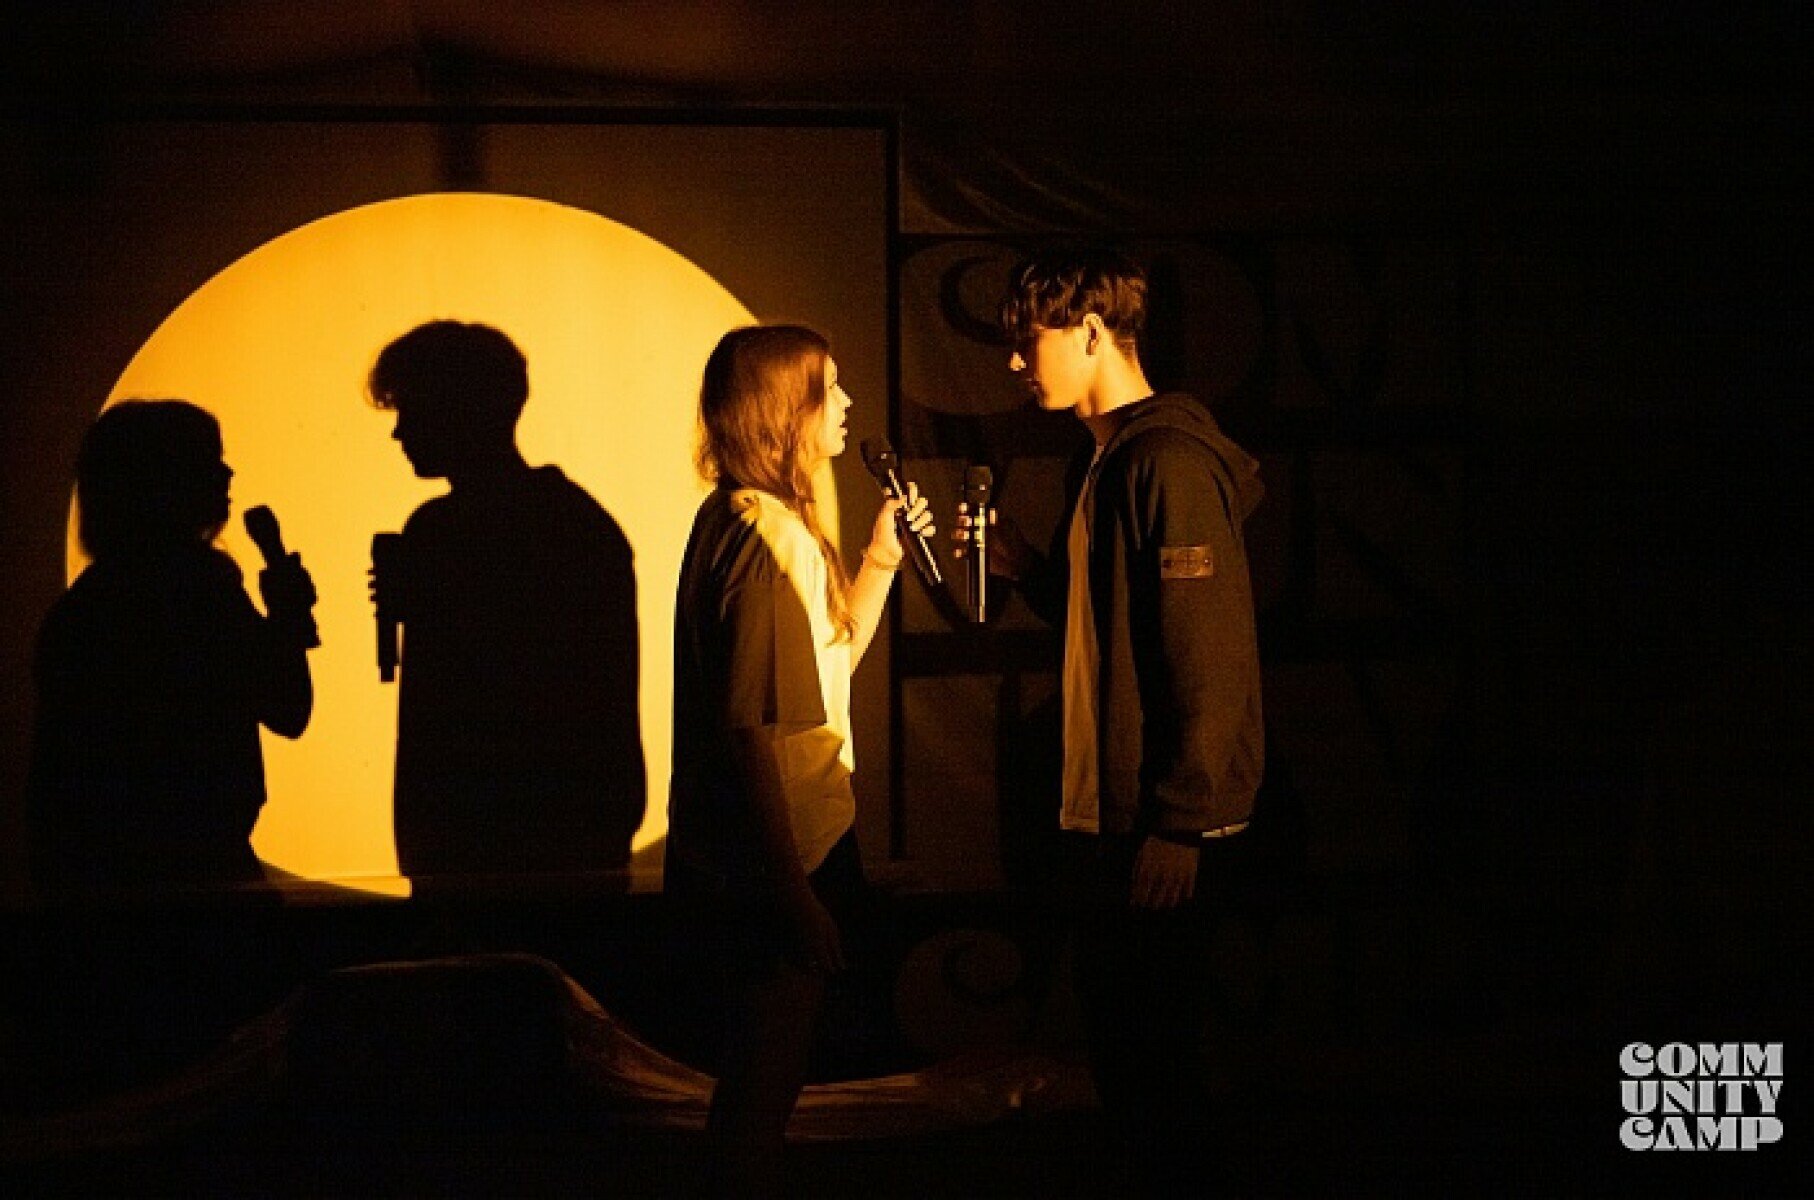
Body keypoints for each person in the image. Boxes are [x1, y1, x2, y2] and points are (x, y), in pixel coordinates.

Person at [962, 248, 1266, 1192]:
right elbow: (1121, 626)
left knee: (1157, 1070)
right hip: (1119, 820)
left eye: (1030, 339)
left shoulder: (1165, 460)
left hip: (1157, 826)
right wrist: (1026, 567)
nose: (1017, 361)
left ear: (1091, 333)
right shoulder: (1107, 459)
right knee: (1131, 1064)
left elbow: (1205, 652)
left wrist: (1180, 821)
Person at [667, 324, 932, 1198]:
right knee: (763, 1080)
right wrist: (793, 893)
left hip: (786, 846)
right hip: (779, 855)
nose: (848, 404)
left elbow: (821, 677)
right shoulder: (761, 536)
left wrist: (881, 560)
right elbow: (747, 731)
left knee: (766, 1076)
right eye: (830, 388)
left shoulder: (753, 520)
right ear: (786, 410)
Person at [26, 399, 317, 1083]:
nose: (227, 474)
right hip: (204, 895)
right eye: (208, 462)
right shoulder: (202, 594)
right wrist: (286, 615)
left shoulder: (81, 611)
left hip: (103, 902)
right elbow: (289, 708)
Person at [366, 320, 645, 880]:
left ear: (457, 409)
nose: (399, 432)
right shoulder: (577, 523)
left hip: (506, 839)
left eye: (411, 409)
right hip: (562, 835)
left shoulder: (448, 532)